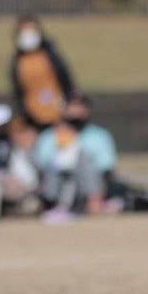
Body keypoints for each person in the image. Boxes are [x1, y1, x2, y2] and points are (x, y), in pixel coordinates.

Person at [33, 90, 122, 221]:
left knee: (83, 157)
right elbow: (42, 165)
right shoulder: (49, 136)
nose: (77, 111)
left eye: (81, 106)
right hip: (56, 185)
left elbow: (106, 169)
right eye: (72, 106)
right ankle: (58, 205)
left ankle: (94, 203)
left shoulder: (100, 136)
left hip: (88, 188)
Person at [10, 14, 75, 131]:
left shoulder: (50, 55)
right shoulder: (17, 62)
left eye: (32, 30)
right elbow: (19, 92)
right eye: (25, 30)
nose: (28, 34)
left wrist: (70, 102)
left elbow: (65, 80)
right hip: (33, 118)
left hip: (58, 114)